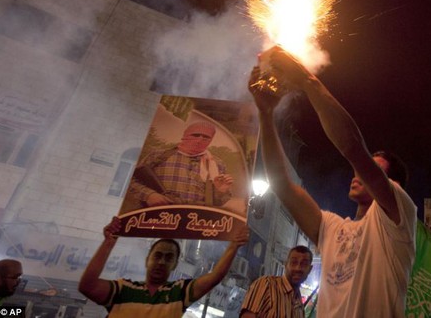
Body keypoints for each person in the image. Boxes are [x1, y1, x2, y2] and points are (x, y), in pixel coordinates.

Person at [247, 46, 417, 318]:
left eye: (372, 170)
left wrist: (306, 79)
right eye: (361, 169)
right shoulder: (333, 228)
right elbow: (281, 184)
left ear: (392, 185)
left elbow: (352, 147)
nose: (357, 173)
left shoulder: (397, 219)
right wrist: (266, 115)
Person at [78, 216, 249, 317]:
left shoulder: (178, 292)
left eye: (168, 258)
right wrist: (108, 242)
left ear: (174, 264)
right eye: (157, 255)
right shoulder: (123, 289)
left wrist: (234, 245)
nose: (161, 262)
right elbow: (87, 286)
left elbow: (215, 277)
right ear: (147, 259)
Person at [126, 121, 234, 209]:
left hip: (195, 220)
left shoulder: (217, 164)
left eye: (206, 137)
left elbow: (218, 203)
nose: (200, 139)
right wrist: (149, 195)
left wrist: (220, 191)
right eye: (195, 135)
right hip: (158, 215)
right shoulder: (159, 155)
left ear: (210, 141)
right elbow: (130, 179)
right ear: (185, 136)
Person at [240, 245, 313, 317]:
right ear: (286, 264)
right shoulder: (267, 285)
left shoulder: (299, 303)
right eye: (294, 262)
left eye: (304, 264)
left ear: (310, 269)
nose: (298, 268)